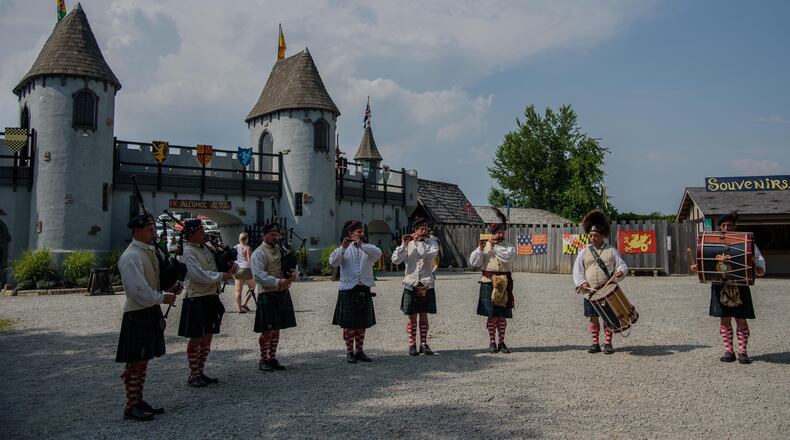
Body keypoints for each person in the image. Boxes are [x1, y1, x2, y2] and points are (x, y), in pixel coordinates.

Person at [115, 213, 181, 421]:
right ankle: (131, 405)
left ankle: (138, 400)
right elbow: (138, 291)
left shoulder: (149, 252)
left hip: (148, 311)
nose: (153, 232)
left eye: (154, 228)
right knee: (135, 362)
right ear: (137, 231)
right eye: (149, 229)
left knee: (143, 361)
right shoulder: (131, 256)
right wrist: (162, 298)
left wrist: (170, 287)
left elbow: (153, 282)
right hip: (137, 312)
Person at [691, 213, 766, 364]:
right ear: (720, 227)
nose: (727, 228)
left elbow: (759, 259)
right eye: (724, 225)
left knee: (741, 319)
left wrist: (759, 267)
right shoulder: (712, 242)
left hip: (740, 284)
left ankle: (743, 352)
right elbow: (706, 261)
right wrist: (697, 268)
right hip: (720, 284)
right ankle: (728, 351)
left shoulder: (745, 240)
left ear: (734, 226)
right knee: (724, 319)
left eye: (729, 225)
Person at [177, 220, 236, 388]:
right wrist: (222, 276)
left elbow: (219, 264)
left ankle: (200, 371)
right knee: (196, 338)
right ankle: (193, 374)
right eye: (200, 231)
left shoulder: (207, 248)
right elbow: (198, 275)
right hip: (196, 298)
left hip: (211, 296)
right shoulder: (188, 252)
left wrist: (232, 267)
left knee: (208, 336)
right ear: (191, 234)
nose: (204, 233)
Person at [572, 209, 628, 355]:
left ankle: (608, 343)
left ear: (602, 235)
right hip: (590, 292)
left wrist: (620, 272)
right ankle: (595, 343)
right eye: (591, 235)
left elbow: (622, 265)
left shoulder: (611, 250)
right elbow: (577, 270)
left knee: (608, 317)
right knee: (593, 318)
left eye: (595, 235)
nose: (592, 238)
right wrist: (581, 283)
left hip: (606, 291)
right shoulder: (584, 251)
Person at [329, 220, 382, 363]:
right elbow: (333, 262)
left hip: (363, 287)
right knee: (349, 326)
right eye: (358, 231)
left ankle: (359, 351)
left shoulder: (368, 248)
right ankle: (349, 352)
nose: (361, 233)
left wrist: (362, 245)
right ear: (350, 233)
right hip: (348, 289)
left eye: (362, 231)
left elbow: (378, 254)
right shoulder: (343, 249)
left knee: (361, 325)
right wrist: (342, 248)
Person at [250, 223, 297, 371]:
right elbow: (258, 275)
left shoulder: (281, 250)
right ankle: (263, 359)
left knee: (277, 329)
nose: (275, 237)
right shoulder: (259, 253)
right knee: (267, 330)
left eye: (277, 234)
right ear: (263, 235)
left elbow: (292, 265)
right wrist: (279, 281)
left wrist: (292, 275)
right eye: (272, 234)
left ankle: (272, 357)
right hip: (268, 293)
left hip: (281, 293)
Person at [391, 218, 440, 356]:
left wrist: (421, 241)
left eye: (425, 228)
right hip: (410, 283)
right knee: (412, 317)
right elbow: (395, 260)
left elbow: (425, 254)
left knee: (423, 316)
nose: (423, 230)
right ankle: (412, 344)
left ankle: (424, 343)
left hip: (426, 283)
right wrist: (403, 245)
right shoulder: (408, 243)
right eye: (420, 228)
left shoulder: (433, 243)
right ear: (415, 230)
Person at [468, 215, 517, 354]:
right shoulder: (484, 246)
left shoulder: (509, 247)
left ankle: (501, 342)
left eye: (502, 232)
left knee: (501, 315)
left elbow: (507, 257)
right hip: (488, 281)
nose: (500, 235)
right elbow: (474, 263)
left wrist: (494, 247)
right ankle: (492, 342)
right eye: (497, 232)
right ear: (492, 233)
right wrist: (480, 248)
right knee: (491, 315)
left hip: (504, 282)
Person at [233, 232, 255, 313]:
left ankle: (239, 309)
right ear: (246, 239)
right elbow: (250, 260)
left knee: (238, 290)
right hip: (246, 269)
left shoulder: (235, 247)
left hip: (237, 269)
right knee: (252, 287)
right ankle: (245, 303)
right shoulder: (247, 247)